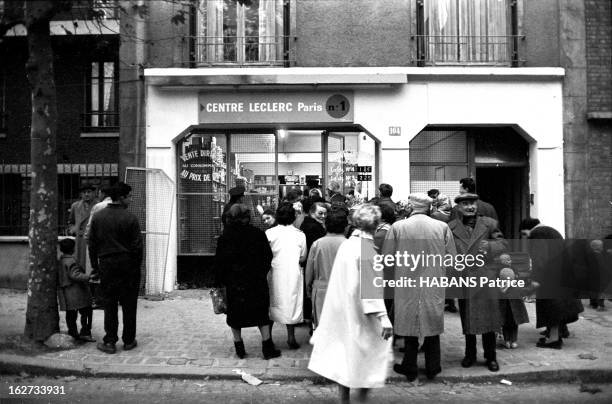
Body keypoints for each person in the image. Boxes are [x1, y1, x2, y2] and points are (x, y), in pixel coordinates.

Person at [308, 204, 393, 404]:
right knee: (369, 357)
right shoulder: (366, 250)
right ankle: (360, 400)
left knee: (345, 357)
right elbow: (371, 289)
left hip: (342, 310)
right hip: (360, 314)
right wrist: (384, 318)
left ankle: (344, 399)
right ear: (376, 225)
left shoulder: (348, 245)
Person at [383, 193, 457, 381]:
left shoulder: (398, 227)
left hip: (406, 282)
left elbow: (387, 258)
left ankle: (410, 366)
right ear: (428, 207)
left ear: (411, 206)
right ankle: (433, 366)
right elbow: (452, 258)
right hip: (433, 282)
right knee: (432, 321)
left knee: (409, 324)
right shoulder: (442, 227)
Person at [214, 204, 281, 360]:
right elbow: (267, 256)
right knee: (261, 313)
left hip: (234, 282)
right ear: (247, 217)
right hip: (255, 280)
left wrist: (220, 280)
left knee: (235, 315)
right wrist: (261, 273)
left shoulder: (225, 237)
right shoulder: (257, 234)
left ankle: (239, 348)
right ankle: (267, 347)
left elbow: (219, 262)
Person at [448, 193, 506, 372]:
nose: (470, 207)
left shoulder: (489, 224)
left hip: (485, 278)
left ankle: (491, 357)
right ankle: (470, 354)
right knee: (467, 319)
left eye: (472, 203)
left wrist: (490, 246)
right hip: (464, 279)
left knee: (489, 320)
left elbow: (503, 244)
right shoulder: (451, 227)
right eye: (465, 204)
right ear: (459, 207)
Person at [89, 182, 143, 354]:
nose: (131, 199)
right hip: (128, 265)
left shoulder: (98, 217)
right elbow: (137, 247)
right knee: (129, 304)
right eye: (129, 196)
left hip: (107, 264)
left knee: (109, 303)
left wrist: (95, 267)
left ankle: (110, 341)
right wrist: (136, 268)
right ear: (122, 198)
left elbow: (92, 245)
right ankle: (128, 340)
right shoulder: (130, 218)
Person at [521, 219, 584, 349]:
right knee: (560, 306)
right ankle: (561, 331)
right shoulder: (551, 231)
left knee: (551, 307)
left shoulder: (537, 234)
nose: (525, 237)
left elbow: (540, 258)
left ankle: (554, 340)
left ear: (528, 228)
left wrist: (535, 279)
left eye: (523, 234)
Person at [266, 202, 307, 349]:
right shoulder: (300, 235)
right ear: (293, 217)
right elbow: (303, 257)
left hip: (274, 272)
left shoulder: (269, 234)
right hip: (292, 273)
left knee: (272, 303)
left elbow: (265, 255)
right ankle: (291, 338)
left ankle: (268, 337)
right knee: (291, 303)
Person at [305, 209, 348, 329]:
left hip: (321, 290)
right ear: (345, 226)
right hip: (344, 290)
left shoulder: (317, 244)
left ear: (325, 224)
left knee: (323, 327)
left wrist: (308, 286)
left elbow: (309, 271)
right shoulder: (349, 244)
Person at [57, 238, 95, 342]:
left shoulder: (61, 260)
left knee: (71, 315)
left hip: (66, 291)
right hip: (76, 291)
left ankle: (72, 332)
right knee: (86, 311)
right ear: (72, 249)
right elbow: (74, 275)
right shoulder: (71, 261)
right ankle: (85, 332)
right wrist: (88, 277)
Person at [84, 185, 113, 309]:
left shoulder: (98, 206)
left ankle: (98, 300)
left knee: (95, 270)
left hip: (98, 243)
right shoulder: (119, 206)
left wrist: (87, 238)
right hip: (113, 245)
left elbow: (90, 226)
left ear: (102, 193)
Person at [496, 253, 529, 349]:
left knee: (514, 321)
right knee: (506, 321)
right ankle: (507, 340)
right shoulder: (499, 271)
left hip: (514, 300)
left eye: (509, 259)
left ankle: (513, 340)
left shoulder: (514, 270)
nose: (509, 261)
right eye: (507, 260)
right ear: (502, 261)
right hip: (505, 301)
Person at [68, 184, 96, 271]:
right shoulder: (75, 206)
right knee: (79, 262)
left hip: (92, 238)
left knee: (91, 263)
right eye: (84, 192)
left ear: (94, 193)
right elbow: (71, 221)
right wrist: (73, 229)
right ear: (81, 194)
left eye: (89, 192)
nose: (86, 194)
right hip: (80, 239)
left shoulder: (98, 206)